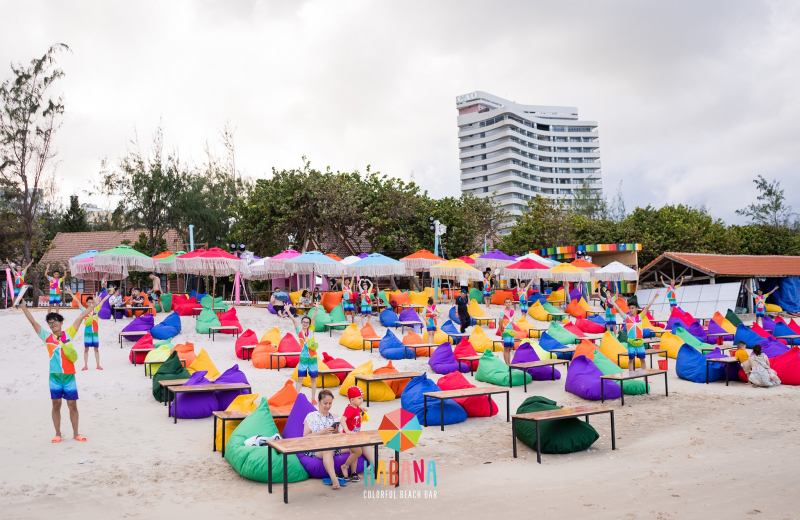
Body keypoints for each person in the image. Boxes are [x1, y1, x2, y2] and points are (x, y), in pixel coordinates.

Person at [16, 298, 91, 443]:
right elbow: (34, 323)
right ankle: (58, 433)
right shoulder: (47, 337)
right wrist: (24, 308)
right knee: (56, 403)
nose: (53, 324)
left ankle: (76, 433)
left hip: (69, 376)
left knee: (72, 404)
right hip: (54, 376)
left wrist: (93, 306)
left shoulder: (68, 333)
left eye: (55, 321)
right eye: (50, 323)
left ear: (61, 322)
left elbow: (81, 317)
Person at [303, 389, 348, 489]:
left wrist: (336, 432)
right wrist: (321, 432)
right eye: (325, 403)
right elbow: (305, 437)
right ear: (319, 402)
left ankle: (375, 467)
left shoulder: (333, 417)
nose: (328, 406)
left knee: (358, 445)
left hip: (334, 445)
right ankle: (335, 480)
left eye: (330, 403)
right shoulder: (311, 416)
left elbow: (339, 436)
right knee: (327, 450)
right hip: (317, 448)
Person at [67, 287, 113, 371]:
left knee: (96, 349)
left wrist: (109, 294)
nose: (91, 303)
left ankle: (98, 365)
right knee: (86, 349)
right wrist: (70, 293)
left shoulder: (96, 309)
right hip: (87, 332)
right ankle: (85, 365)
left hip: (95, 332)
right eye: (89, 302)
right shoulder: (84, 310)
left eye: (92, 302)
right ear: (87, 303)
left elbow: (102, 301)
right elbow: (77, 301)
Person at [287, 303, 321, 403]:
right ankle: (296, 398)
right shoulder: (299, 331)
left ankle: (313, 398)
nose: (305, 323)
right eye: (304, 322)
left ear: (309, 324)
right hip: (303, 357)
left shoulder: (311, 330)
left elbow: (314, 319)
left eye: (307, 322)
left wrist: (316, 309)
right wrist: (288, 311)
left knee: (313, 379)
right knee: (300, 378)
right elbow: (293, 320)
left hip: (313, 357)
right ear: (301, 323)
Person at [340, 386, 374, 481]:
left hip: (355, 436)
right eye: (359, 398)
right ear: (351, 399)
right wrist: (346, 430)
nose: (361, 400)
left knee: (353, 453)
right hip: (349, 436)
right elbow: (342, 419)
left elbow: (357, 409)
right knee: (358, 452)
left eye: (361, 398)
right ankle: (345, 466)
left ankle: (353, 473)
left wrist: (362, 409)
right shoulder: (349, 409)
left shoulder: (356, 407)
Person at [500, 298, 516, 364]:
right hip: (506, 331)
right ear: (504, 304)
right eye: (506, 302)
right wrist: (502, 333)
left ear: (511, 303)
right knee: (506, 348)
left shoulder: (513, 311)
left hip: (511, 331)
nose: (508, 303)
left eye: (509, 302)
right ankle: (507, 364)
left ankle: (509, 363)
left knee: (509, 349)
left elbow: (513, 323)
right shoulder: (502, 312)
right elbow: (500, 323)